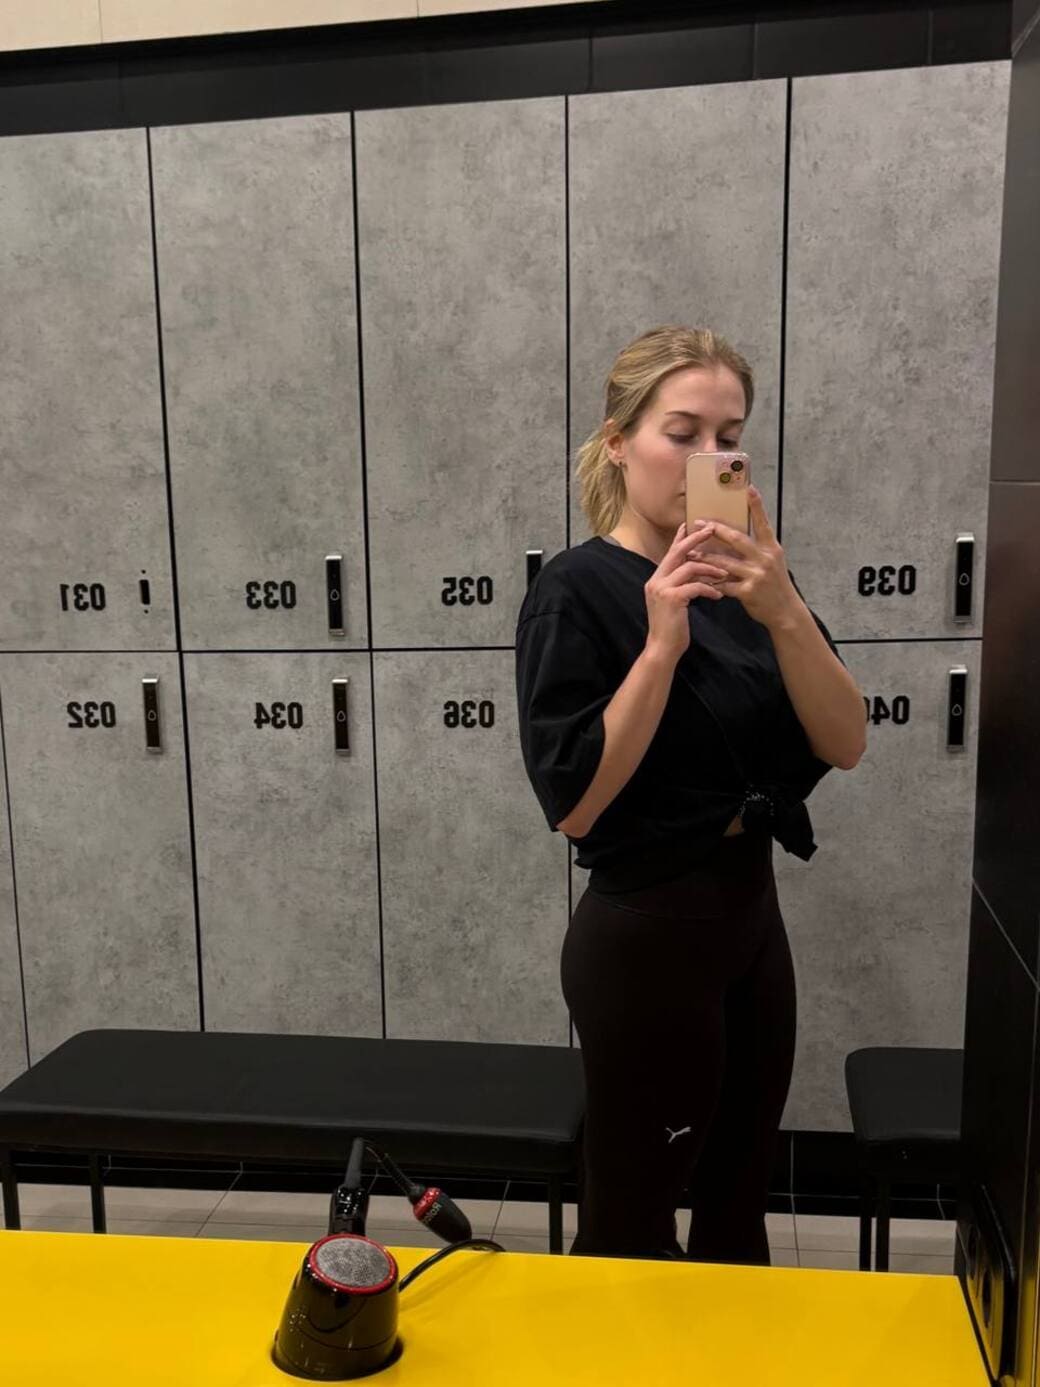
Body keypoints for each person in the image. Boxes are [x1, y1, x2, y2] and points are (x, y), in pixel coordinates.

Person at [514, 324, 867, 1264]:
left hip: (752, 927)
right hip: (646, 941)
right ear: (618, 441)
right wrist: (661, 644)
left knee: (738, 1206)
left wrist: (784, 610)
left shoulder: (758, 587)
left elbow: (846, 740)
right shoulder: (576, 590)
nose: (711, 458)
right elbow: (575, 804)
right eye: (682, 433)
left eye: (729, 437)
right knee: (632, 1222)